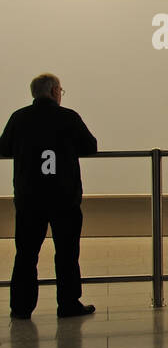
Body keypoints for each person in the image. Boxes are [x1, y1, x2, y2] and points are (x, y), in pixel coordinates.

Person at [0, 73, 98, 318]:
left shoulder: (19, 118)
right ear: (54, 91)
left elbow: (3, 148)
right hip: (64, 197)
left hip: (29, 197)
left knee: (26, 252)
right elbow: (90, 146)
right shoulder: (68, 117)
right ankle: (68, 303)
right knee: (66, 252)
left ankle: (21, 306)